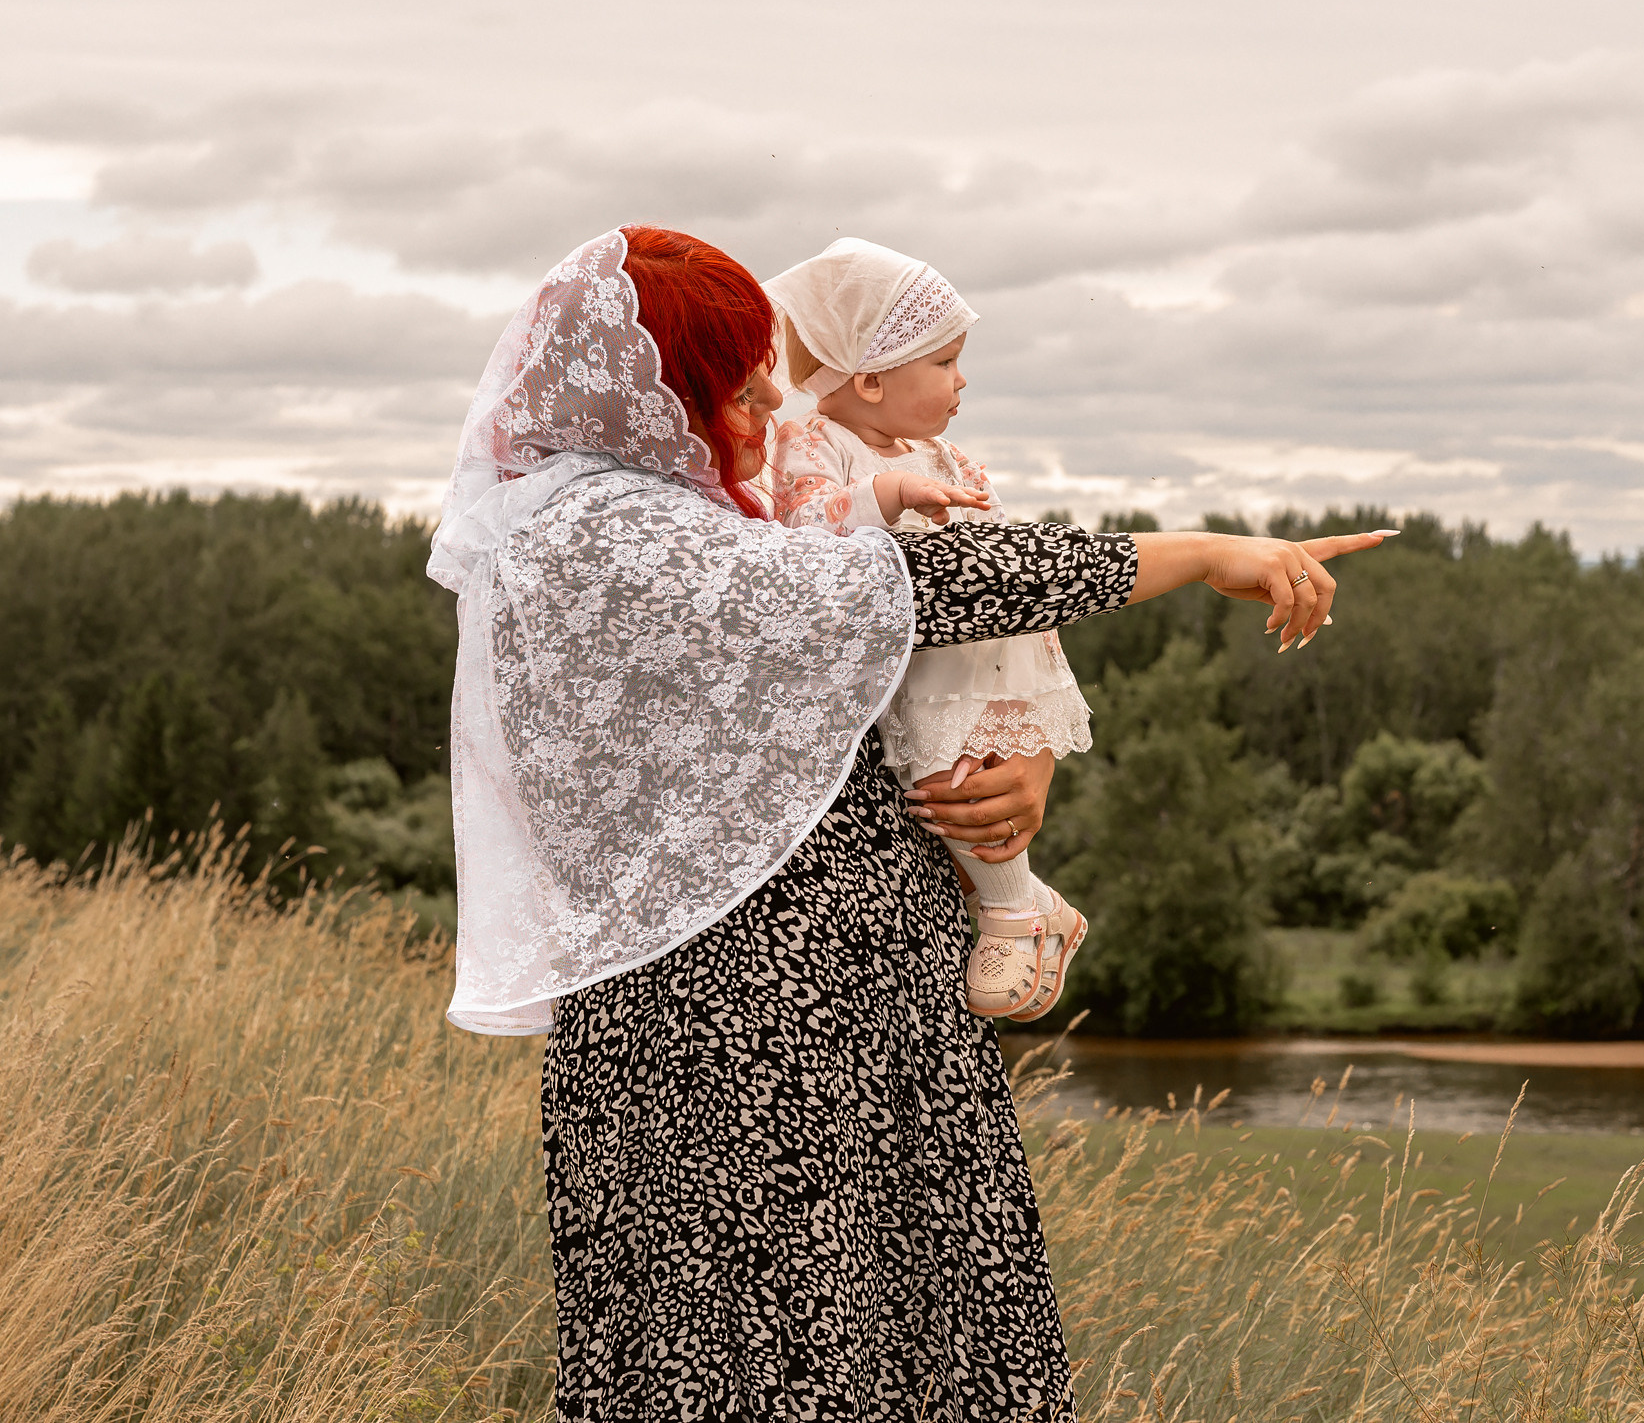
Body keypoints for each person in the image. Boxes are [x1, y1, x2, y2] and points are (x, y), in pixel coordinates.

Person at [427, 224, 1381, 1421]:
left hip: (858, 1013)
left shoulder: (676, 516)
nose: (774, 401)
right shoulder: (612, 536)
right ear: (649, 396)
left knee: (903, 1351)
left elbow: (872, 697)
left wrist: (1025, 761)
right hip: (739, 1049)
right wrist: (1199, 555)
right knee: (767, 1361)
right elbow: (909, 592)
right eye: (739, 382)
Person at [759, 237, 1090, 1024]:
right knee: (945, 785)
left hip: (975, 657)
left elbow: (1003, 559)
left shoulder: (956, 461)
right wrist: (888, 491)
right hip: (907, 665)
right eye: (943, 362)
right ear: (869, 378)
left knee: (973, 778)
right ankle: (1020, 903)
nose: (961, 379)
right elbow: (806, 526)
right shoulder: (808, 443)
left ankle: (1015, 903)